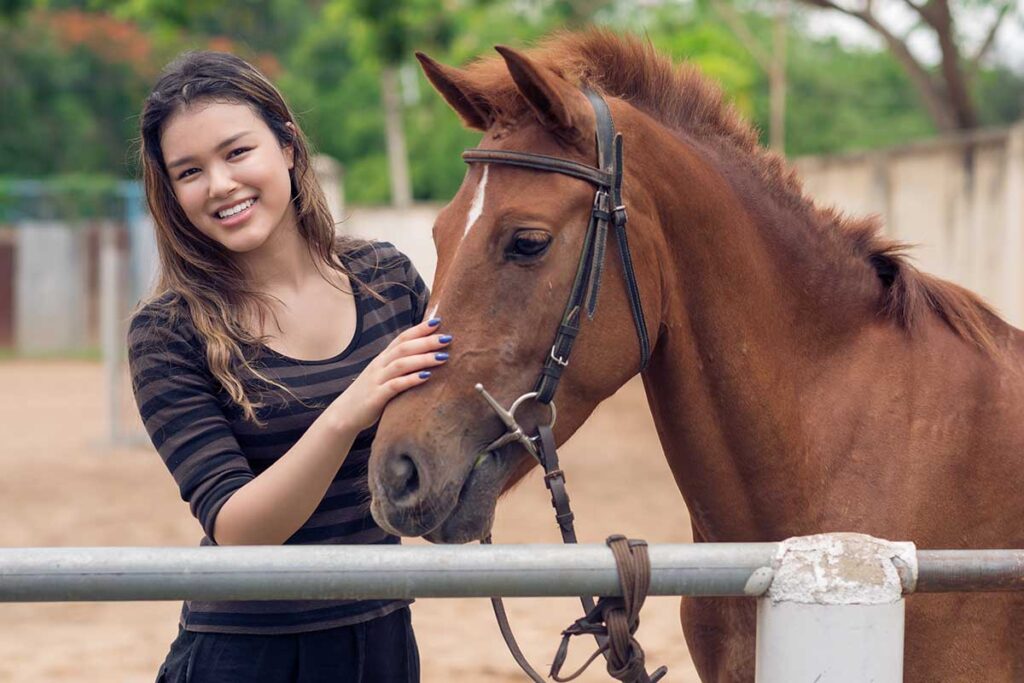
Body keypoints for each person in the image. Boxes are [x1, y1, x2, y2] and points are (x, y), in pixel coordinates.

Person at [128, 50, 446, 682]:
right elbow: (240, 529)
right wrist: (346, 412)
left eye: (237, 152)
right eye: (189, 171)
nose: (219, 184)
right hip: (247, 652)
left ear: (288, 148)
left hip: (383, 641)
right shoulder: (168, 334)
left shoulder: (388, 280)